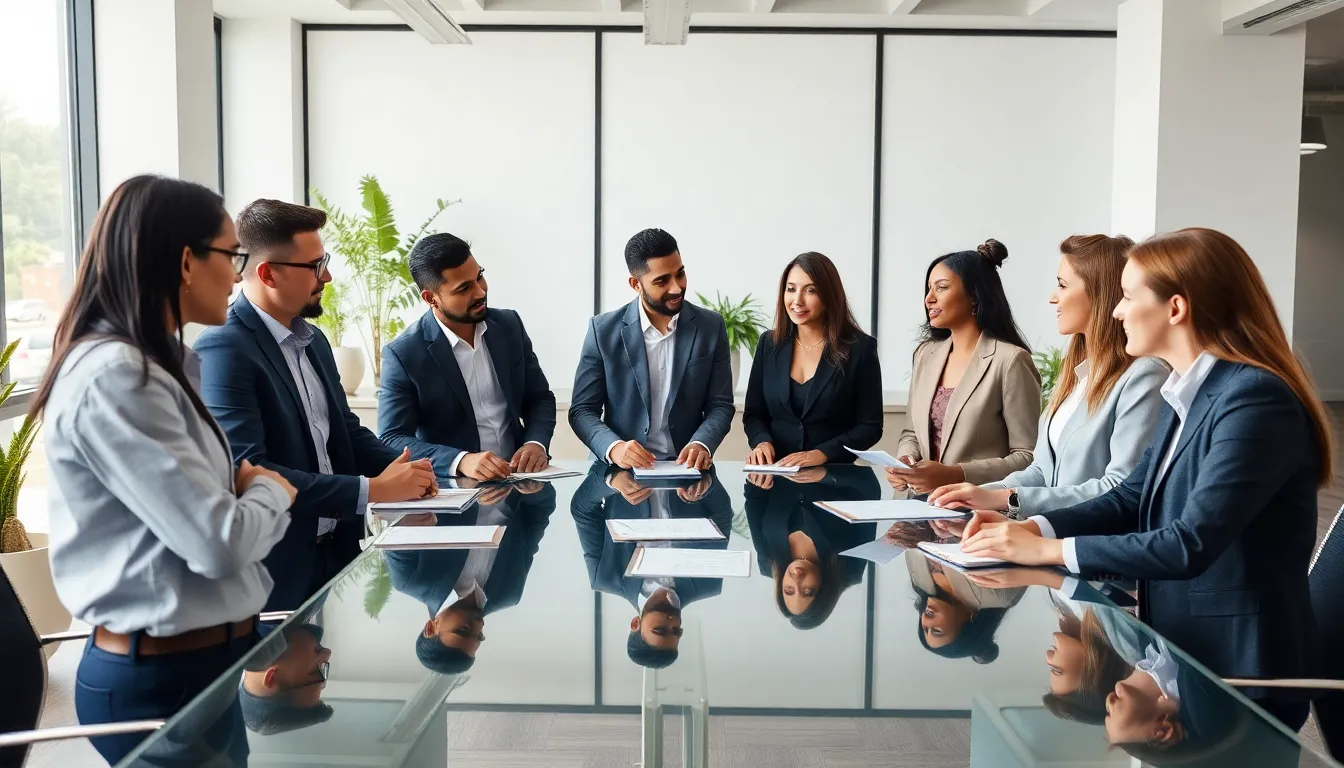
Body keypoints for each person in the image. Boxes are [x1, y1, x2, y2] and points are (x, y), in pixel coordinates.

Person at [958, 227, 1332, 732]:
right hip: (1184, 650)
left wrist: (1051, 551)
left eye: (1129, 297)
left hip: (1240, 670)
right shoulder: (1191, 392)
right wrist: (1037, 529)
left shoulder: (1253, 399)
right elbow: (1134, 495)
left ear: (1175, 308)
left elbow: (1190, 543)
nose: (1116, 310)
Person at [32, 175, 297, 764]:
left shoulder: (161, 366)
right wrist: (274, 492)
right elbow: (220, 542)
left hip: (203, 666)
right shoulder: (119, 378)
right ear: (185, 262)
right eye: (231, 256)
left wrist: (243, 494)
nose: (238, 274)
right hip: (159, 680)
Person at [196, 199, 437, 614]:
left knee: (320, 677)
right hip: (274, 571)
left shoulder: (314, 340)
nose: (327, 276)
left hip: (338, 554)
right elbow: (252, 470)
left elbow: (344, 433)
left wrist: (409, 467)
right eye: (315, 265)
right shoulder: (224, 348)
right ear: (268, 273)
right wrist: (373, 490)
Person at [928, 234, 1168, 516]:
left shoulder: (1143, 377)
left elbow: (1120, 487)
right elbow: (1041, 471)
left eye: (1062, 285)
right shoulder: (1077, 374)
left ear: (1099, 293)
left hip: (1085, 546)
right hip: (1044, 534)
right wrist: (979, 493)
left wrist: (1008, 500)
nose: (1053, 298)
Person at [379, 232, 557, 481]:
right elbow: (392, 437)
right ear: (431, 298)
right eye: (464, 288)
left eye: (479, 277)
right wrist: (461, 460)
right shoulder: (404, 353)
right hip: (454, 491)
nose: (480, 292)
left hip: (520, 484)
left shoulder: (509, 325)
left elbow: (539, 397)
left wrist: (536, 443)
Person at [570, 228, 734, 470]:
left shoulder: (711, 326)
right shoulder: (602, 331)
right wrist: (615, 448)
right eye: (662, 281)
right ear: (636, 284)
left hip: (687, 471)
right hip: (620, 474)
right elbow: (582, 410)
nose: (677, 287)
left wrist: (702, 443)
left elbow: (720, 404)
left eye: (680, 274)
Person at [890, 239, 1040, 495]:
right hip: (919, 504)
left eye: (942, 288)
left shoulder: (1010, 361)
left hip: (977, 509)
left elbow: (1028, 458)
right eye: (929, 289)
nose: (929, 298)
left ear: (974, 296)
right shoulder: (925, 355)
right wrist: (905, 461)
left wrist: (955, 474)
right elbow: (911, 432)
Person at [571, 463, 733, 668]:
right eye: (677, 631)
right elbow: (722, 514)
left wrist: (612, 482)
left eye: (660, 629)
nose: (672, 622)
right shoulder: (706, 584)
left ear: (635, 624)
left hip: (627, 454)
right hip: (684, 454)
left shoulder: (605, 577)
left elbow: (582, 510)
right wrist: (705, 484)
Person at [386, 482, 556, 675]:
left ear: (431, 627)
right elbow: (536, 519)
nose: (478, 627)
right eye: (480, 636)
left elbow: (399, 517)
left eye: (463, 630)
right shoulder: (508, 593)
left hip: (461, 467)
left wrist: (467, 483)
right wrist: (535, 488)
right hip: (516, 467)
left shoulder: (410, 579)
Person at [743, 252, 882, 468]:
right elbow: (754, 414)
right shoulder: (769, 344)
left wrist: (822, 454)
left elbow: (870, 426)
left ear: (829, 295)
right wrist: (761, 442)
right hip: (776, 478)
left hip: (837, 479)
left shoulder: (860, 348)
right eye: (791, 289)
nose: (797, 300)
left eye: (811, 290)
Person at [744, 464, 880, 629]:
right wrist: (827, 475)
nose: (797, 579)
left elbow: (754, 499)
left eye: (788, 590)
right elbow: (870, 489)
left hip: (780, 455)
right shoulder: (850, 567)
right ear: (825, 591)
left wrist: (758, 480)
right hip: (832, 453)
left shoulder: (769, 562)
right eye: (807, 591)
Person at [904, 549, 1022, 664]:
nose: (926, 620)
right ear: (967, 624)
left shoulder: (919, 582)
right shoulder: (998, 595)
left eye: (925, 628)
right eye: (937, 630)